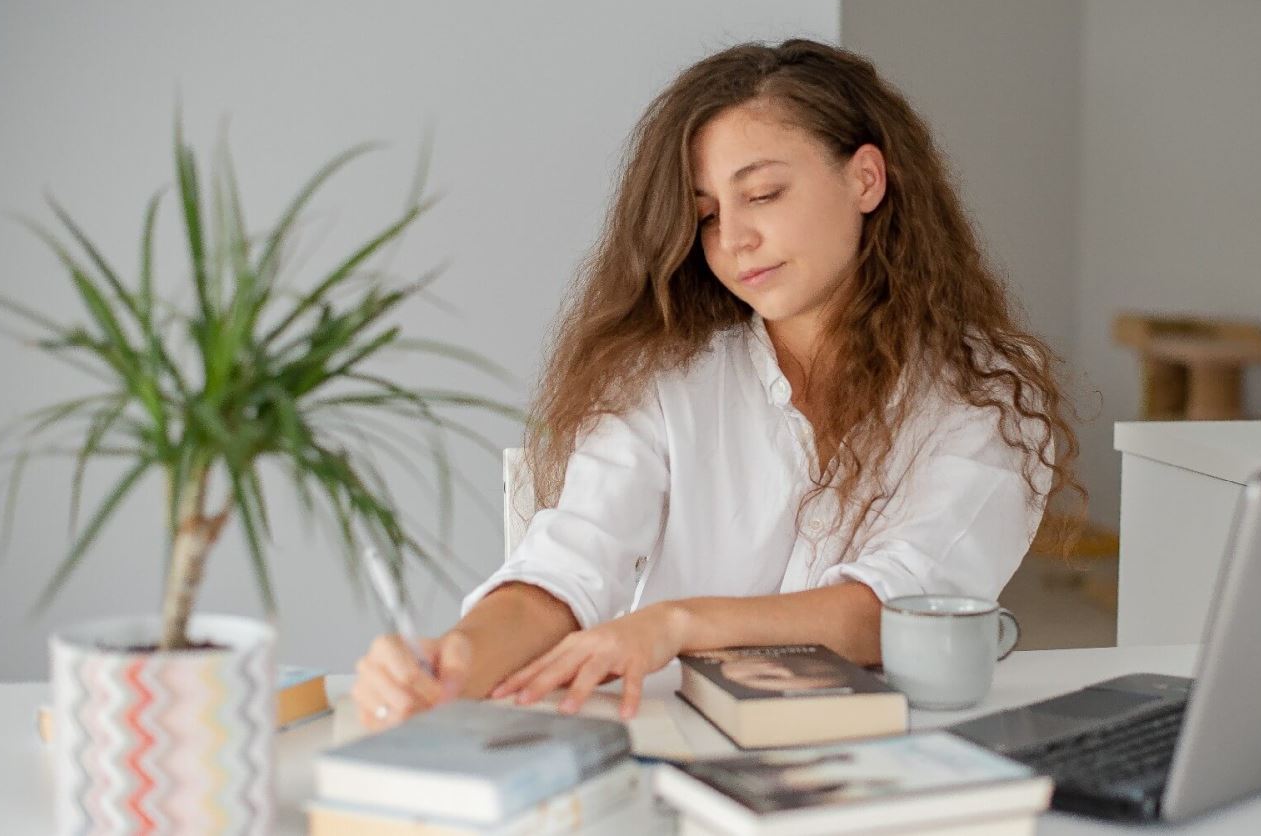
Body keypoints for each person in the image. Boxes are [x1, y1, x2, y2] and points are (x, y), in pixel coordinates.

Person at [350, 37, 1084, 730]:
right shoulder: (664, 379)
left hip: (892, 758)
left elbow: (897, 609)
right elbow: (570, 565)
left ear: (866, 178)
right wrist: (456, 661)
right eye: (706, 216)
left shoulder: (988, 392)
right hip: (680, 755)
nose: (733, 242)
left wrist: (675, 624)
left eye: (762, 194)